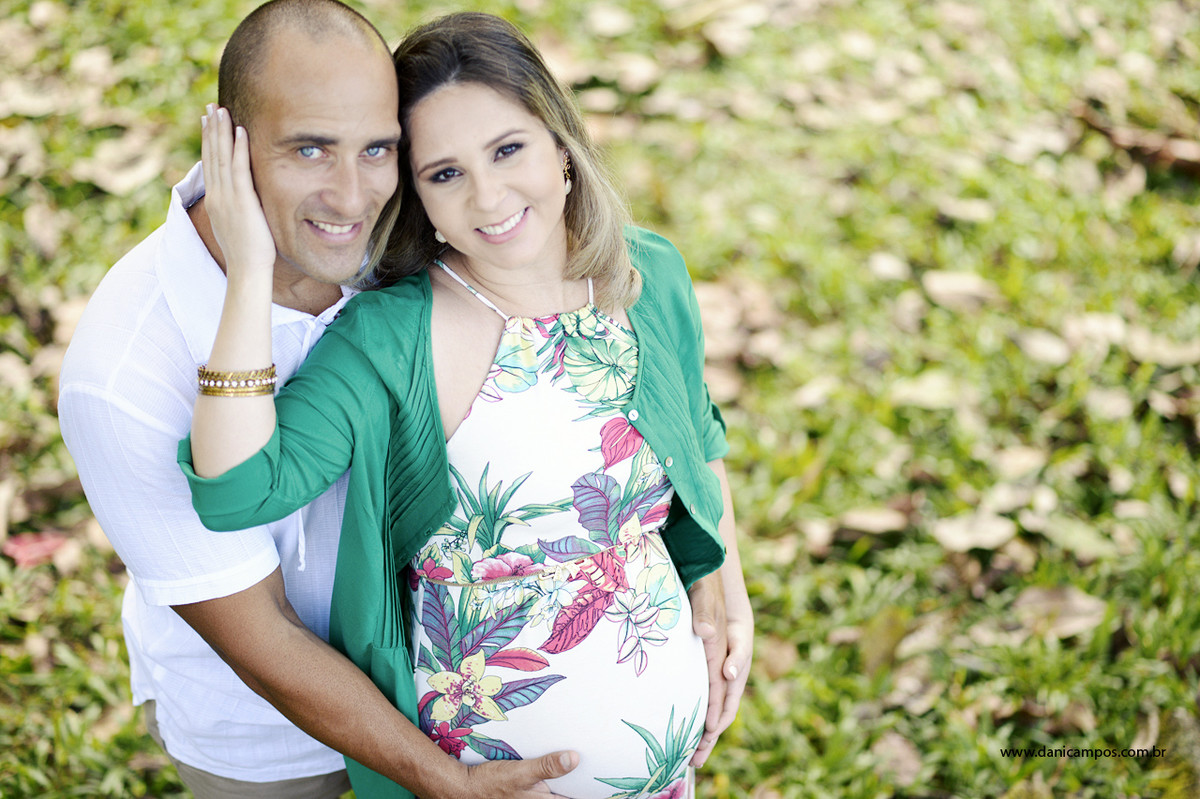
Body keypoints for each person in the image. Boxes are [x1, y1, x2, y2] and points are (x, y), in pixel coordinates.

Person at [181, 11, 753, 799]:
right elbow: (239, 487)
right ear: (417, 195)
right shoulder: (390, 337)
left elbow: (699, 433)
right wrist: (248, 271)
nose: (488, 196)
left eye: (508, 149)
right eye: (444, 173)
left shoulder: (646, 275)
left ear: (561, 143)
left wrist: (730, 589)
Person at [58, 1, 590, 796]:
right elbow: (263, 637)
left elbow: (589, 346)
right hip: (266, 741)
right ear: (229, 143)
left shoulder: (410, 232)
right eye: (311, 149)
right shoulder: (124, 369)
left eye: (376, 148)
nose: (350, 197)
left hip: (455, 684)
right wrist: (435, 776)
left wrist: (713, 574)